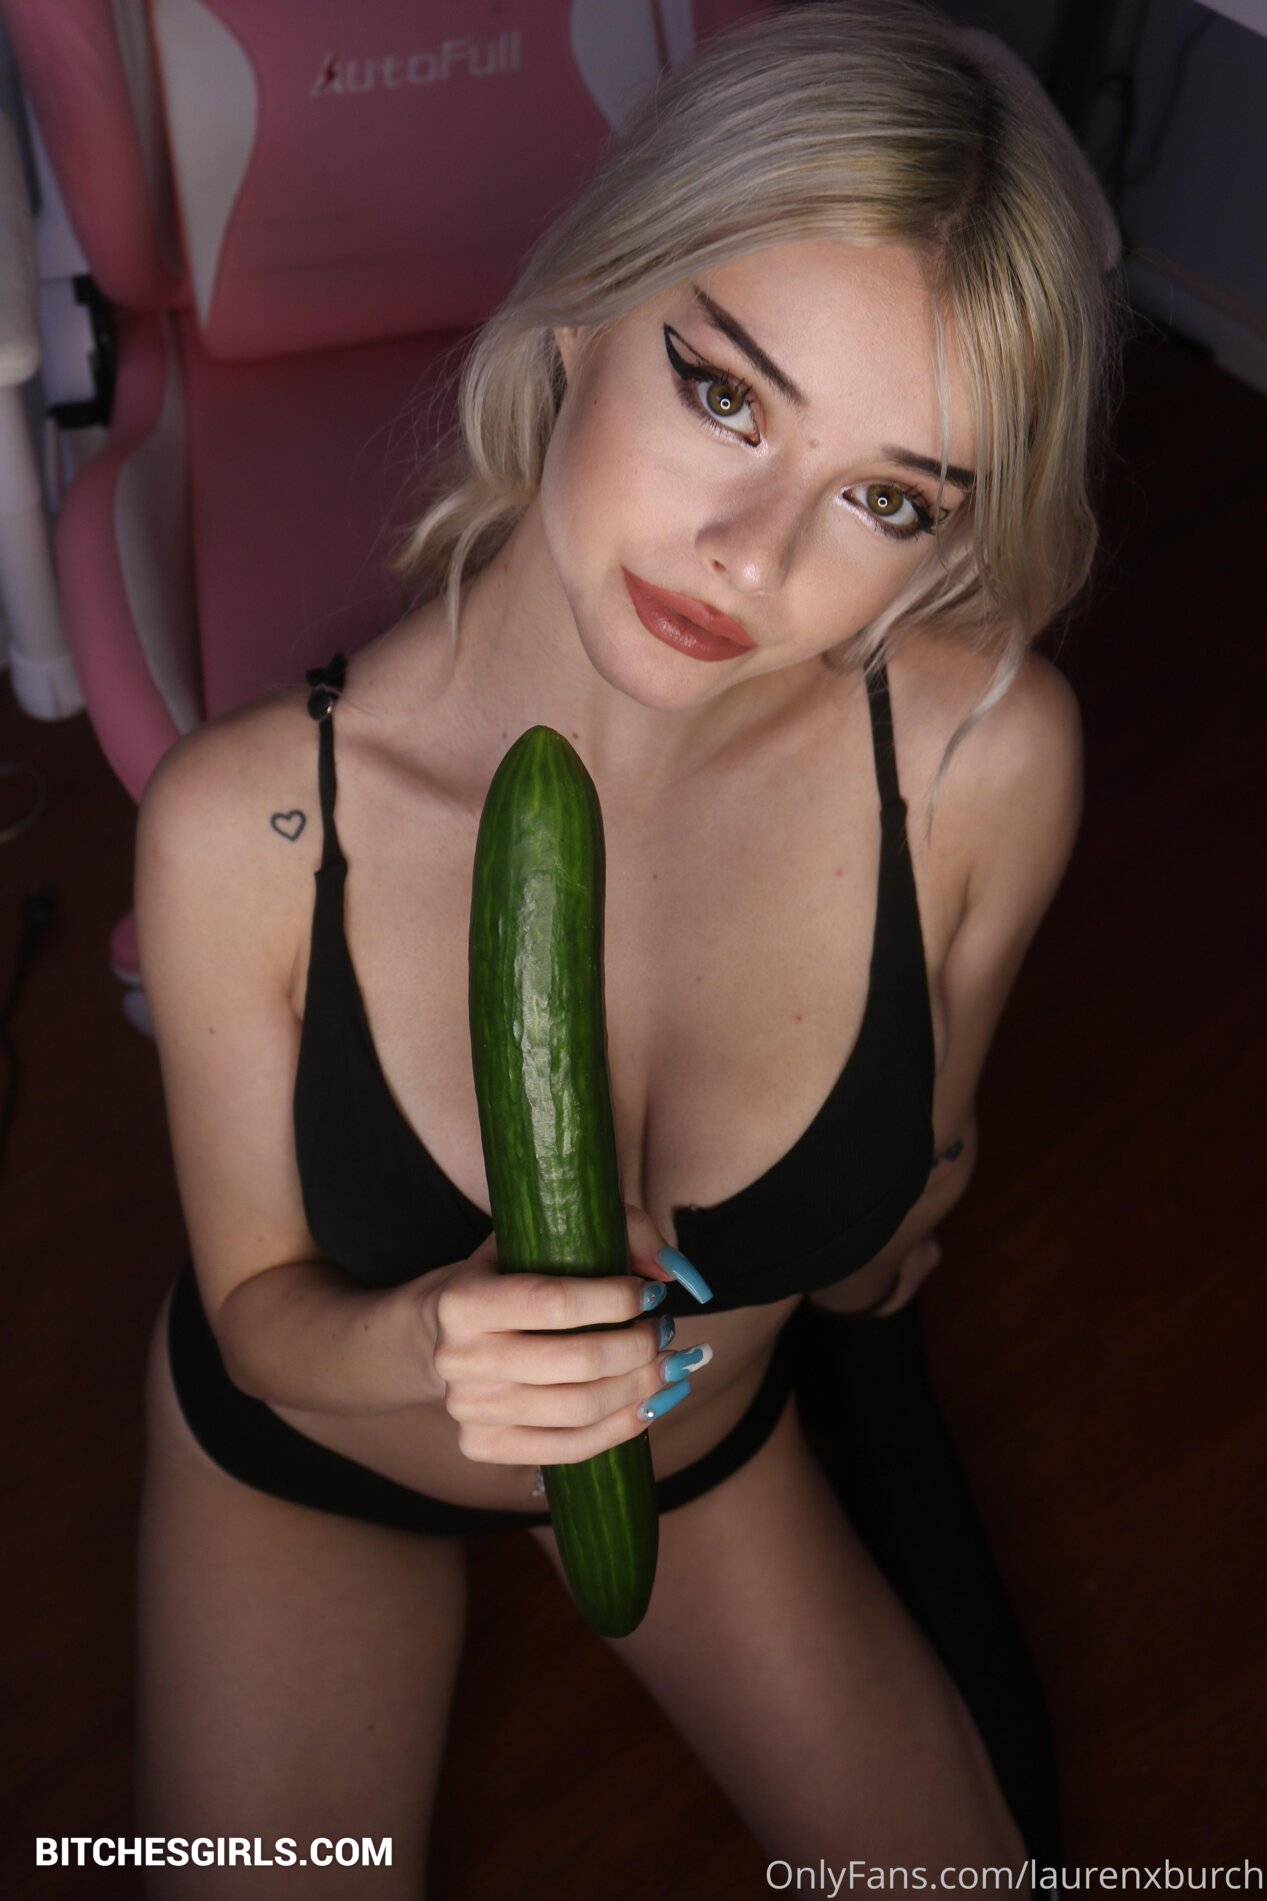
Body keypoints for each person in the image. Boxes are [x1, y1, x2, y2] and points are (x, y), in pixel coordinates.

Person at [133, 2, 1129, 1890]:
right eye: (728, 395)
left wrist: (878, 1235)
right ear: (587, 305)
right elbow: (262, 1321)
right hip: (319, 1455)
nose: (753, 552)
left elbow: (924, 1161)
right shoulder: (246, 829)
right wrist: (429, 1339)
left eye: (886, 497)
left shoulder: (983, 761)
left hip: (694, 1449)